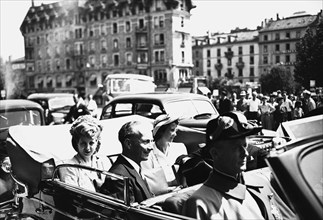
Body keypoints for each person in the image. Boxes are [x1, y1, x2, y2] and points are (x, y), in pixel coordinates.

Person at [182, 111, 286, 220]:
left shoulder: (259, 183)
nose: (245, 153)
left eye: (245, 146)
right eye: (236, 148)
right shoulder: (201, 204)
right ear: (215, 153)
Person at [100, 120, 154, 203]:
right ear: (128, 144)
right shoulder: (119, 177)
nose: (151, 147)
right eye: (146, 142)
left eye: (151, 141)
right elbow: (127, 214)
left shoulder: (134, 167)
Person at [60, 115, 112, 192]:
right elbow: (72, 196)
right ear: (76, 143)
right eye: (83, 143)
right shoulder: (69, 167)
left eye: (91, 143)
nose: (87, 148)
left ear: (97, 142)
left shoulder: (104, 161)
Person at [141, 114, 188, 195]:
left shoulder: (180, 147)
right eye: (172, 130)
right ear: (161, 131)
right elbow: (150, 185)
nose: (175, 134)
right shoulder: (148, 152)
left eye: (175, 130)